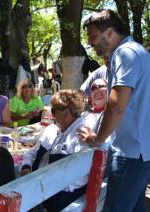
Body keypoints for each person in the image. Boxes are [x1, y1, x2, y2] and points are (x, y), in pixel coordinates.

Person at [77, 9, 150, 212]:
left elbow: (117, 105)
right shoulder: (139, 52)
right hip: (141, 153)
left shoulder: (124, 53)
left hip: (130, 153)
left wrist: (97, 139)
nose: (90, 43)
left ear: (109, 32)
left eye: (93, 36)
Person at [20, 90, 98, 211]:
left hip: (63, 199)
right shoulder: (52, 129)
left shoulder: (81, 134)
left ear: (66, 111)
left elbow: (79, 177)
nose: (51, 114)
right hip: (42, 193)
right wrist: (26, 166)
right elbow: (32, 152)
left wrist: (45, 184)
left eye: (53, 110)